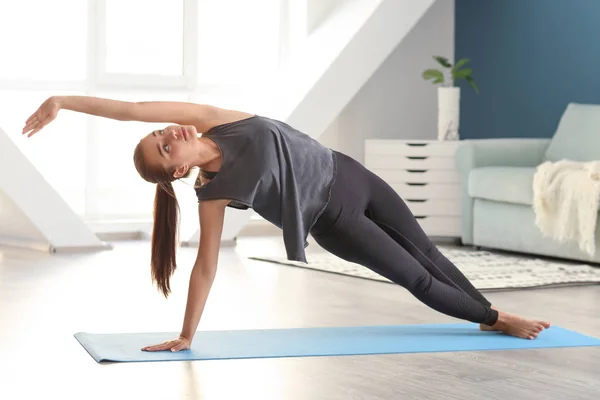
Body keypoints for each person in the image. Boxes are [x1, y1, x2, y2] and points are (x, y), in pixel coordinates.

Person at [23, 96, 551, 352]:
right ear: (179, 169)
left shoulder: (210, 119)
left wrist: (63, 102)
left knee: (429, 252)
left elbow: (130, 108)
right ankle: (495, 316)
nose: (169, 132)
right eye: (164, 147)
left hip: (350, 172)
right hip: (334, 220)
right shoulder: (213, 193)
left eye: (162, 133)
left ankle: (484, 313)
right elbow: (206, 266)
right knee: (414, 276)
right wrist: (186, 334)